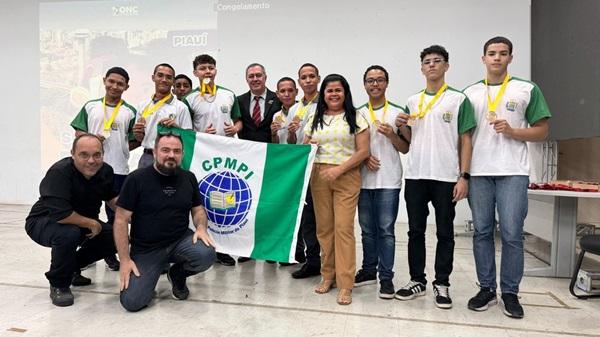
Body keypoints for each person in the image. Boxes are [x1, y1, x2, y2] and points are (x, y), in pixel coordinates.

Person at [463, 36, 551, 319]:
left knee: (512, 234)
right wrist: (462, 173)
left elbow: (542, 130)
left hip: (513, 171)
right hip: (479, 172)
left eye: (503, 53)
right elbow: (463, 137)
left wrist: (513, 131)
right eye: (491, 53)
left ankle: (510, 292)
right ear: (483, 59)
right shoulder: (470, 93)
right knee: (482, 232)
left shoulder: (526, 89)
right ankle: (486, 288)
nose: (497, 58)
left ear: (511, 58)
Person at [394, 45, 476, 309]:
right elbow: (408, 140)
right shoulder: (412, 100)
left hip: (445, 177)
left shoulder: (458, 99)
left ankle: (442, 283)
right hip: (416, 175)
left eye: (437, 61)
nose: (431, 65)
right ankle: (416, 279)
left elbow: (465, 140)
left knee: (445, 233)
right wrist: (400, 127)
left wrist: (464, 176)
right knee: (415, 231)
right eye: (427, 62)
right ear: (421, 68)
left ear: (446, 66)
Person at [115, 131, 216, 312]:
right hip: (147, 249)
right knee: (132, 302)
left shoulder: (189, 178)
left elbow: (198, 209)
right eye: (165, 150)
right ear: (155, 152)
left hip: (179, 241)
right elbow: (121, 220)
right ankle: (151, 274)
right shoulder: (136, 179)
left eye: (177, 151)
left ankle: (177, 273)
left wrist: (201, 227)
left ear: (182, 154)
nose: (171, 155)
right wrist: (124, 259)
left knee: (206, 254)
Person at [25, 134, 118, 307]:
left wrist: (135, 216)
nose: (91, 160)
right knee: (69, 233)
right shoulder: (59, 172)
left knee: (115, 236)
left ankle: (72, 267)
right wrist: (92, 223)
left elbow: (113, 200)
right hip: (44, 221)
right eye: (84, 155)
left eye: (97, 155)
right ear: (72, 154)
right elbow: (62, 215)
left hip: (80, 221)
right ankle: (59, 284)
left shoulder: (105, 171)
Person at [303, 74, 370, 305]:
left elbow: (363, 151)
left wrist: (338, 170)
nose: (333, 94)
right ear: (323, 93)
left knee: (343, 229)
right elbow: (304, 145)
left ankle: (346, 284)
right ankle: (327, 276)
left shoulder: (357, 116)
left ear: (345, 93)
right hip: (319, 176)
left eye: (338, 90)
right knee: (324, 230)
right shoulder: (314, 116)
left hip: (347, 176)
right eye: (329, 90)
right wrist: (308, 146)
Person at [70, 66, 138, 271]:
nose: (115, 86)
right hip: (89, 170)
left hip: (117, 170)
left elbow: (134, 140)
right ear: (104, 81)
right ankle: (83, 254)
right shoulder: (90, 106)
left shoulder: (130, 111)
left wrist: (122, 148)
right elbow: (78, 132)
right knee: (86, 212)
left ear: (126, 87)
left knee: (116, 216)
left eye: (120, 83)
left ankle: (111, 254)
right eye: (112, 81)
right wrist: (90, 140)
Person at [354, 65, 409, 299]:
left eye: (379, 80)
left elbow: (405, 148)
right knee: (367, 230)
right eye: (370, 80)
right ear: (364, 84)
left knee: (386, 230)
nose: (374, 84)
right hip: (363, 180)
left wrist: (392, 135)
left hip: (388, 179)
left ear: (387, 83)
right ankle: (368, 271)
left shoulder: (397, 113)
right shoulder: (356, 114)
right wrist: (364, 157)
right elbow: (352, 147)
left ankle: (386, 277)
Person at [182, 54, 241, 266]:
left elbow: (239, 121)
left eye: (211, 68)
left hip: (226, 156)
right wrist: (200, 134)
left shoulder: (228, 94)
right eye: (203, 68)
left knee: (225, 200)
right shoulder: (189, 98)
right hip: (202, 157)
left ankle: (223, 248)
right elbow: (186, 130)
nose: (207, 71)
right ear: (195, 73)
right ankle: (203, 243)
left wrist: (235, 128)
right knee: (203, 199)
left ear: (215, 70)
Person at [289, 63, 323, 279]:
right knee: (307, 219)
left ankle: (330, 262)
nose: (308, 80)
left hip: (323, 168)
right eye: (304, 77)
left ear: (318, 78)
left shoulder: (326, 103)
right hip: (303, 171)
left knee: (325, 220)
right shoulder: (294, 108)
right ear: (299, 81)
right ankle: (313, 261)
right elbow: (292, 143)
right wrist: (291, 133)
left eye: (312, 76)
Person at [133, 63, 193, 168]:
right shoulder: (142, 105)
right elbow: (140, 138)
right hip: (148, 157)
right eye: (160, 75)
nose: (164, 80)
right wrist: (138, 134)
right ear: (153, 77)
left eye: (169, 77)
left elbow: (189, 137)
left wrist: (177, 128)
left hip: (171, 158)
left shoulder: (181, 107)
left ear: (173, 82)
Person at [238, 63, 282, 143]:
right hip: (246, 150)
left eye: (258, 75)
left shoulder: (278, 99)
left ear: (265, 77)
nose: (255, 79)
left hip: (270, 150)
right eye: (251, 76)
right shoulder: (239, 101)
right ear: (246, 79)